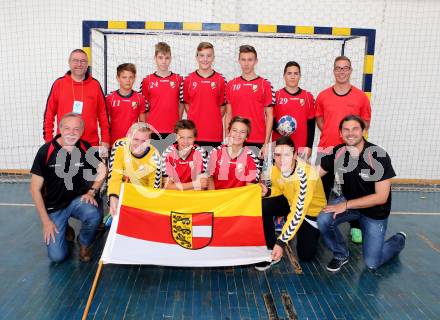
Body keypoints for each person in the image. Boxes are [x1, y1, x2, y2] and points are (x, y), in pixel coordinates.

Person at [317, 115, 406, 272]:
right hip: (350, 202)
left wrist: (345, 205)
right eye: (346, 129)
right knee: (324, 219)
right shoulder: (338, 152)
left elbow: (381, 197)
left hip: (374, 211)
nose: (350, 133)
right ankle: (341, 254)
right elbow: (314, 174)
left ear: (364, 131)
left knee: (372, 262)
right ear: (340, 133)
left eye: (355, 129)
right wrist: (288, 174)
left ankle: (398, 240)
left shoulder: (378, 156)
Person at [30, 113, 106, 263]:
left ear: (82, 131)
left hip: (77, 200)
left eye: (76, 129)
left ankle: (84, 243)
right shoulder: (46, 151)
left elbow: (103, 170)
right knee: (57, 257)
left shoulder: (85, 148)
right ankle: (66, 228)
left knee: (94, 214)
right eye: (67, 128)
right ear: (60, 128)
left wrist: (92, 191)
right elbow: (34, 189)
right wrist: (46, 221)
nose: (72, 133)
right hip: (55, 207)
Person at [315, 56, 372, 244]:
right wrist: (333, 136)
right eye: (338, 68)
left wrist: (349, 140)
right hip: (327, 149)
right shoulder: (323, 95)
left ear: (350, 70)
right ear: (333, 71)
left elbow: (365, 123)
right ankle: (318, 224)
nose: (341, 72)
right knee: (320, 189)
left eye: (345, 68)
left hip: (352, 152)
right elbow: (320, 120)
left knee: (354, 190)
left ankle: (356, 227)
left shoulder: (361, 96)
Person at [255, 136, 326, 271]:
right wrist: (268, 192)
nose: (282, 160)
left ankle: (314, 230)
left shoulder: (306, 175)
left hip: (310, 213)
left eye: (286, 155)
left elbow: (299, 212)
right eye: (278, 155)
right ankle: (270, 247)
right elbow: (281, 189)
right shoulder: (276, 169)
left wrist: (281, 242)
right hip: (290, 201)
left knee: (305, 256)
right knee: (263, 205)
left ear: (294, 155)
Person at [43, 49, 110, 154]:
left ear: (87, 64)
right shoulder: (59, 84)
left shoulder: (95, 85)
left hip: (90, 146)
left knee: (90, 171)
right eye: (75, 60)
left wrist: (105, 140)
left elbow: (103, 115)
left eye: (83, 61)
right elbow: (49, 114)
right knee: (64, 171)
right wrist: (49, 141)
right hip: (64, 146)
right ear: (69, 62)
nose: (79, 64)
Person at [225, 45, 275, 156]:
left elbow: (270, 116)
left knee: (255, 173)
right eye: (243, 59)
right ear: (239, 61)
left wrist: (266, 143)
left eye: (250, 60)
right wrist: (228, 138)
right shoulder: (231, 84)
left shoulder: (265, 85)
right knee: (235, 173)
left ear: (256, 61)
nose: (246, 63)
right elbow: (228, 114)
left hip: (257, 141)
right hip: (236, 140)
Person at [107, 122, 163, 217]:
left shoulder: (155, 159)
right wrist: (113, 196)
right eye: (135, 139)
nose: (139, 144)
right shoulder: (119, 146)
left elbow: (153, 190)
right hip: (122, 192)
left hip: (142, 195)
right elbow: (114, 175)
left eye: (143, 141)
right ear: (129, 137)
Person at [181, 42, 227, 148]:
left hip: (214, 135)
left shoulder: (221, 80)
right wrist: (196, 115)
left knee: (213, 165)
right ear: (196, 57)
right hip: (193, 135)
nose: (205, 59)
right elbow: (187, 105)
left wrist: (212, 118)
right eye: (201, 55)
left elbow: (223, 107)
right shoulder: (188, 80)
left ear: (213, 58)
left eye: (209, 56)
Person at [272, 61, 316, 159]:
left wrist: (309, 146)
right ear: (284, 76)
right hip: (280, 146)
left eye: (296, 73)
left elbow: (311, 124)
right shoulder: (276, 96)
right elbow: (270, 121)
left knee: (299, 173)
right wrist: (279, 129)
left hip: (300, 147)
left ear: (300, 76)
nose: (292, 77)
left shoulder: (308, 97)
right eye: (289, 73)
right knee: (279, 174)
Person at [140, 42, 183, 140]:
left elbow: (181, 104)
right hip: (153, 130)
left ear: (170, 59)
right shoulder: (147, 81)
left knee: (171, 156)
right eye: (160, 57)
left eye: (167, 58)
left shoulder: (178, 79)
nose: (164, 61)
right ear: (155, 58)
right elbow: (144, 107)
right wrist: (147, 127)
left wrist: (177, 121)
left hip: (173, 130)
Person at [207, 116, 260, 189]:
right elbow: (209, 178)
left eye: (242, 132)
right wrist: (213, 197)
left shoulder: (252, 158)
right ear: (229, 132)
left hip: (238, 199)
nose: (238, 134)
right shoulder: (215, 152)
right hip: (217, 197)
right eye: (235, 130)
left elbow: (249, 188)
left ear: (246, 137)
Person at [106, 63, 146, 146]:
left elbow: (142, 124)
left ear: (134, 78)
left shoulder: (140, 98)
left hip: (132, 143)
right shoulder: (110, 98)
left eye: (131, 77)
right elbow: (105, 124)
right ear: (118, 78)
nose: (128, 80)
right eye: (124, 77)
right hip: (114, 143)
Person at [162, 120, 208, 190]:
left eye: (189, 137)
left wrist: (177, 187)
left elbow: (202, 185)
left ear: (195, 138)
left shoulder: (200, 153)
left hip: (193, 196)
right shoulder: (168, 153)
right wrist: (194, 184)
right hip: (174, 196)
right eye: (181, 137)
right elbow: (168, 187)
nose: (185, 142)